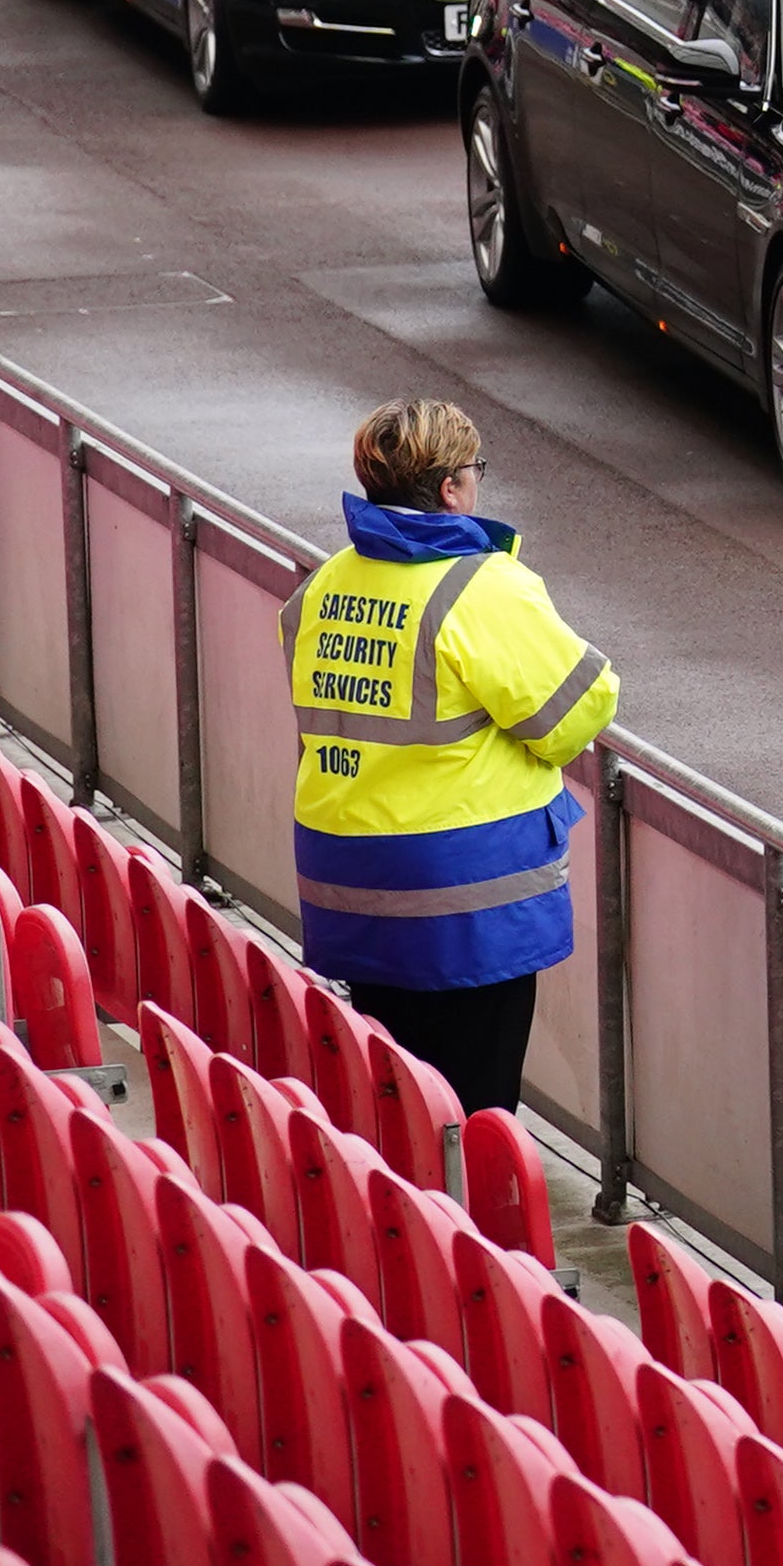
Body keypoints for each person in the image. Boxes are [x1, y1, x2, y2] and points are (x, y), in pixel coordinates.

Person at [287, 398, 618, 1116]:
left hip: (351, 891)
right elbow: (572, 716)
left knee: (395, 1099)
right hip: (462, 905)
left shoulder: (323, 586)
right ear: (449, 490)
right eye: (476, 470)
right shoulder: (481, 586)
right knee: (473, 1111)